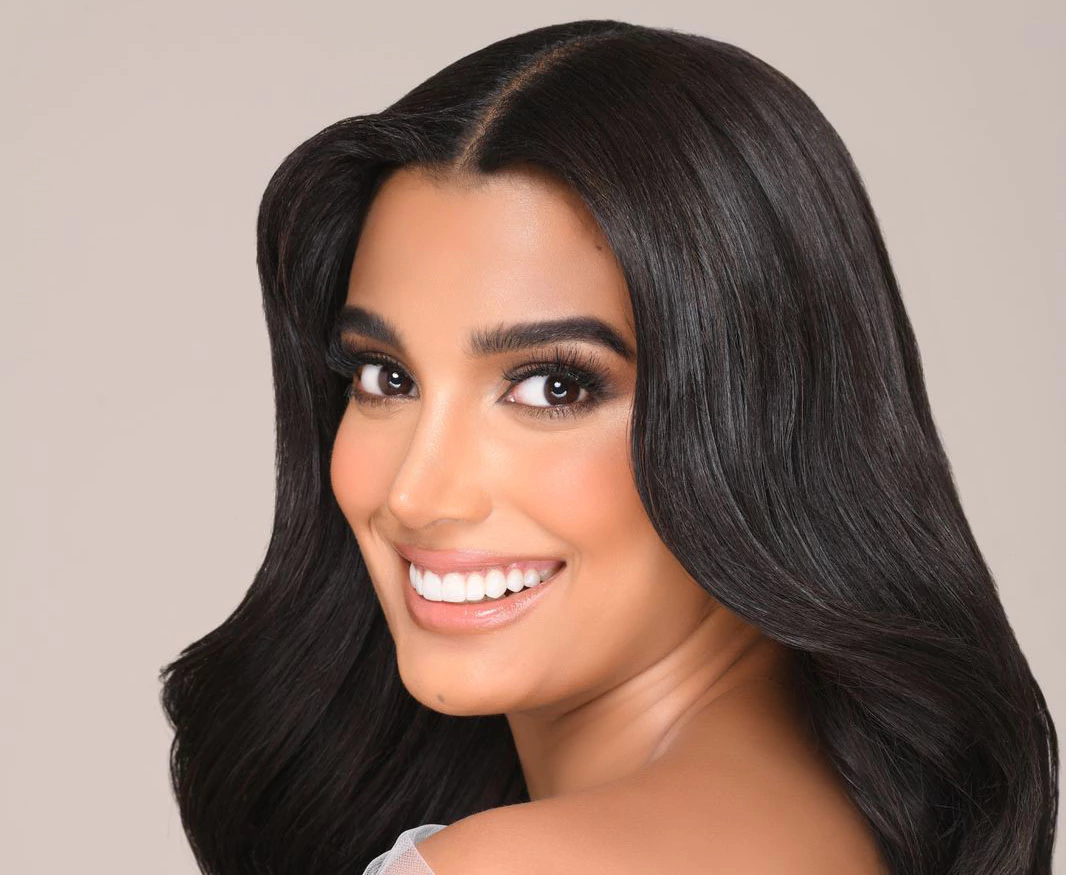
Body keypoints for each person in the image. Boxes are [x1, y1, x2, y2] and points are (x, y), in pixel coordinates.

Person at [159, 19, 1059, 875]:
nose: (415, 494)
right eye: (386, 377)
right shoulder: (848, 834)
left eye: (553, 386)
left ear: (758, 414)